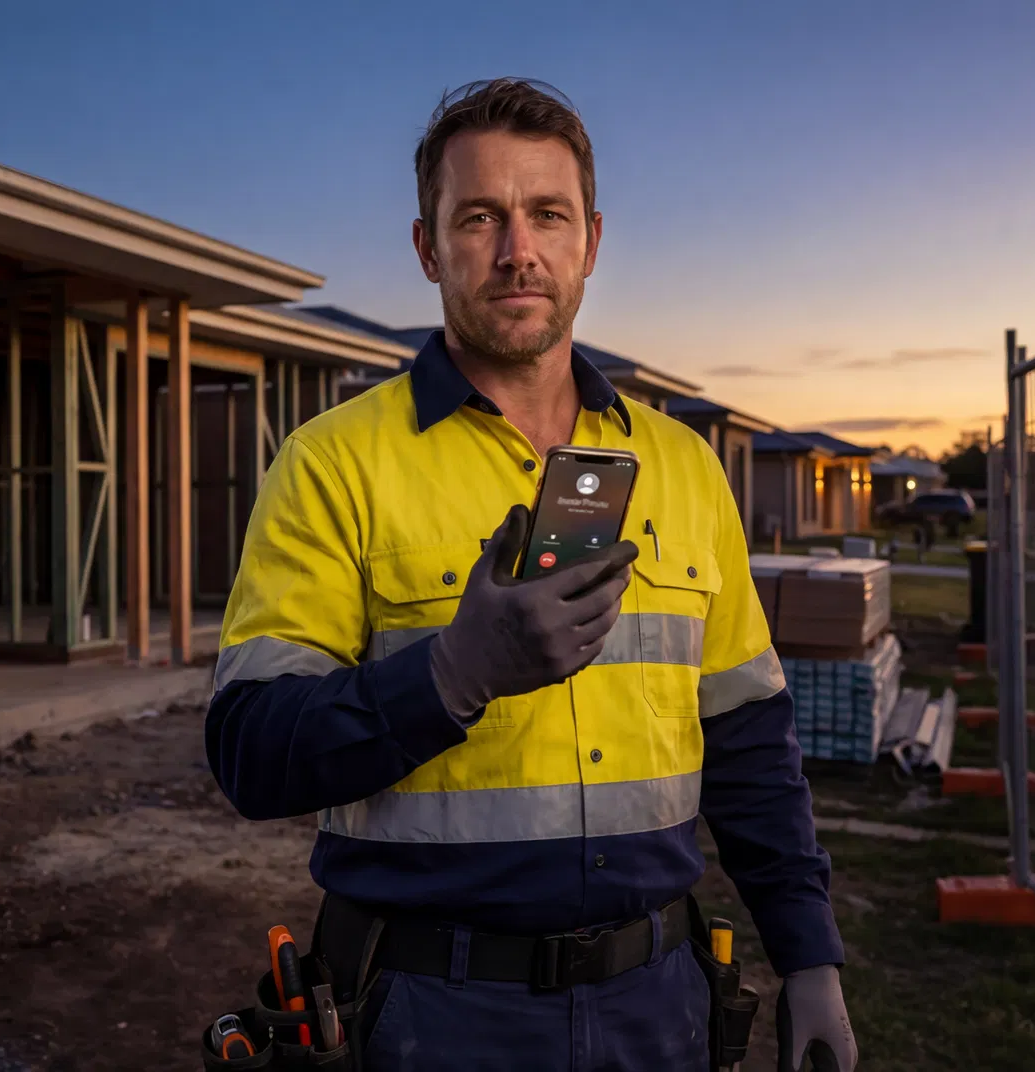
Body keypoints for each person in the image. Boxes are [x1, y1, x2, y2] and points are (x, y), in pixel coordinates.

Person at [206, 78, 857, 1071]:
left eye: (547, 215)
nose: (518, 249)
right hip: (430, 1013)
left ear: (590, 240)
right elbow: (250, 748)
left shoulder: (682, 467)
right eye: (480, 218)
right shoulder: (333, 464)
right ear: (428, 247)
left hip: (664, 1005)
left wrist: (809, 956)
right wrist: (450, 675)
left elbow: (749, 740)